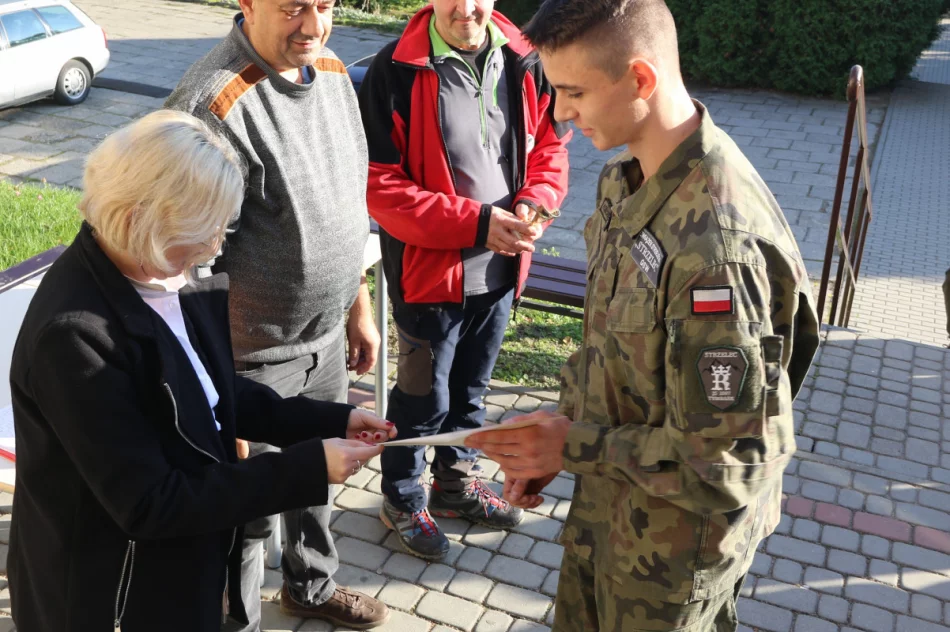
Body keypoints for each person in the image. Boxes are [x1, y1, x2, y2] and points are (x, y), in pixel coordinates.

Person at [467, 1, 821, 630]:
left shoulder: (715, 248)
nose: (561, 113)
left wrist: (572, 443)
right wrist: (561, 438)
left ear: (640, 79)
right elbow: (610, 347)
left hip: (670, 557)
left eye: (574, 92)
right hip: (610, 510)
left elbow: (731, 462)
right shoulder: (623, 181)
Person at [6, 110, 394, 632]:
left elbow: (209, 395)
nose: (217, 245)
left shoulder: (164, 272)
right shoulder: (75, 337)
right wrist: (306, 468)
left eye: (223, 226)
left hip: (178, 566)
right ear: (142, 216)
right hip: (115, 595)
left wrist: (328, 421)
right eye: (207, 228)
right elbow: (150, 503)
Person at [164, 0, 387, 628]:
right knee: (250, 513)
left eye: (325, 5)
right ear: (248, 4)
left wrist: (356, 309)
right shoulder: (212, 105)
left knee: (317, 474)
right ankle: (237, 621)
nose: (313, 26)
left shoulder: (336, 73)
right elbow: (183, 266)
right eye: (293, 7)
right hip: (248, 366)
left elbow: (346, 210)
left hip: (324, 343)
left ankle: (310, 587)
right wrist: (216, 394)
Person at [358, 0, 571, 560]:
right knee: (419, 400)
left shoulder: (527, 59)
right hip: (427, 281)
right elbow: (380, 186)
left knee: (471, 395)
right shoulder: (393, 71)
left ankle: (453, 487)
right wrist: (478, 222)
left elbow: (550, 149)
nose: (467, 8)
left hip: (502, 272)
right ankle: (402, 497)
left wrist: (536, 203)